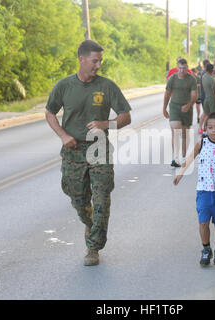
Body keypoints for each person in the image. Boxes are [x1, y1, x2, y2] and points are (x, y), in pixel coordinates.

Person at [45, 40, 132, 266]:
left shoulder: (107, 86)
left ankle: (93, 247)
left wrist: (107, 124)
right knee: (78, 199)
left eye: (100, 61)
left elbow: (126, 116)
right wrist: (63, 136)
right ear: (81, 60)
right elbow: (49, 113)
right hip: (73, 151)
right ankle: (91, 223)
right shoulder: (64, 86)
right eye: (95, 61)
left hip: (99, 148)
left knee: (101, 198)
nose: (98, 65)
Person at [173, 112, 215, 266]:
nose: (214, 130)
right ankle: (206, 249)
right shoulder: (201, 143)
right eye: (210, 127)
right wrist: (179, 175)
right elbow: (189, 159)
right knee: (203, 222)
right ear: (205, 129)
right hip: (204, 191)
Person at [163, 58, 197, 167]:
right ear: (177, 68)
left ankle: (183, 156)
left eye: (184, 68)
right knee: (176, 131)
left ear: (187, 68)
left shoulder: (191, 79)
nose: (182, 70)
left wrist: (189, 105)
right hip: (174, 107)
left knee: (184, 133)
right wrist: (164, 108)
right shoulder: (172, 79)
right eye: (180, 68)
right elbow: (167, 94)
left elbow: (194, 95)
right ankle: (175, 157)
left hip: (187, 108)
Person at [200, 63, 215, 132]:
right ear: (212, 70)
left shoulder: (204, 76)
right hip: (212, 99)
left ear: (205, 69)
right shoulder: (211, 79)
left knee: (207, 115)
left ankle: (205, 130)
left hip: (206, 98)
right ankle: (212, 130)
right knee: (213, 116)